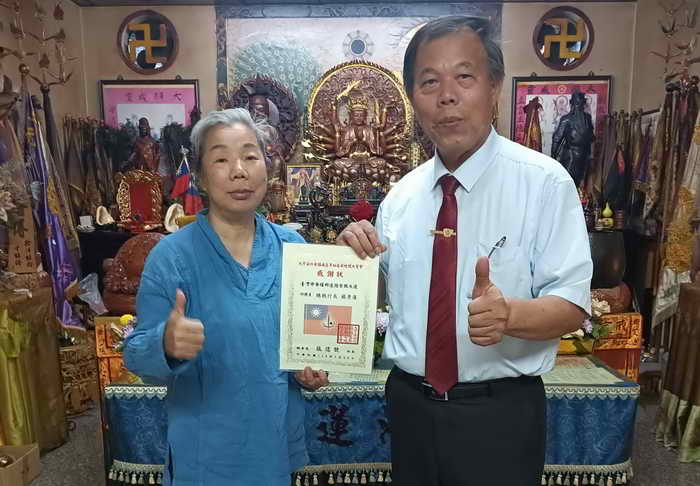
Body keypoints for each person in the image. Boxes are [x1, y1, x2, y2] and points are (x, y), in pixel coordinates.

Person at [336, 16, 592, 486]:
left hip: (500, 415)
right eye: (429, 82)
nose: (447, 96)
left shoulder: (544, 183)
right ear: (413, 97)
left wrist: (509, 315)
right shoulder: (401, 197)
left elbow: (572, 305)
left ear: (494, 86)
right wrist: (345, 262)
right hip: (410, 409)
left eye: (464, 76)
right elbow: (373, 299)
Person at [124, 108, 329, 486]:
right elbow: (136, 354)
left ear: (267, 166)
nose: (239, 171)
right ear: (200, 177)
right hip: (204, 454)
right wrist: (165, 343)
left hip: (273, 446)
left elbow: (312, 339)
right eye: (221, 159)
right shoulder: (172, 257)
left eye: (250, 156)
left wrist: (310, 370)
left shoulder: (294, 250)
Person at [551, 91, 595, 187]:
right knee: (573, 183)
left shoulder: (568, 119)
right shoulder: (586, 118)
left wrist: (553, 156)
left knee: (569, 182)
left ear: (572, 104)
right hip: (579, 156)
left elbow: (557, 138)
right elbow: (592, 138)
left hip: (573, 156)